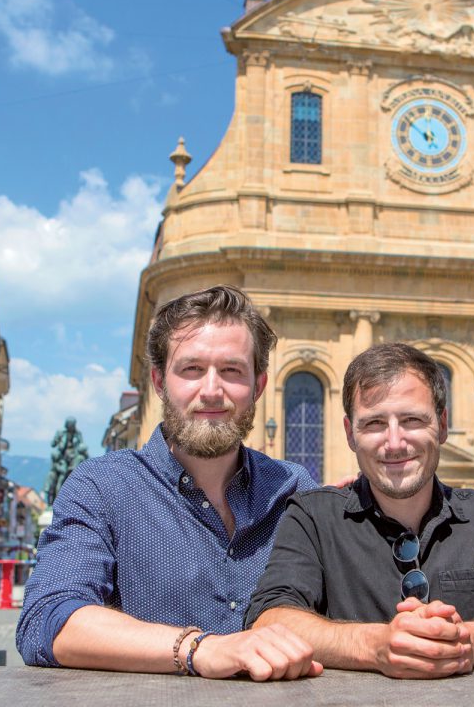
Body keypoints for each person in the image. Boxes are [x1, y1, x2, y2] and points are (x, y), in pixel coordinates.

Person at [17, 285, 321, 680]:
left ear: (259, 386)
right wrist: (198, 649)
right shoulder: (102, 487)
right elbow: (47, 620)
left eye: (231, 371)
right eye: (192, 370)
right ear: (160, 382)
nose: (212, 390)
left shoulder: (294, 489)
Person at [246, 343, 474, 678]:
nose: (395, 443)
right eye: (374, 424)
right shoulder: (312, 517)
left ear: (442, 425)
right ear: (350, 434)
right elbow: (269, 619)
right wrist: (376, 644)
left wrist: (456, 642)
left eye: (412, 420)